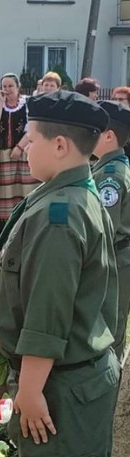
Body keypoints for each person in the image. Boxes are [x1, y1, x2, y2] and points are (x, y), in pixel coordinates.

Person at [0, 90, 119, 457]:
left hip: (59, 391)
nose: (24, 147)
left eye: (31, 138)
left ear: (60, 145)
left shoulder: (60, 213)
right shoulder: (75, 193)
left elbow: (49, 314)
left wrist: (29, 390)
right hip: (78, 385)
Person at [92, 100, 130, 359]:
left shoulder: (110, 176)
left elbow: (106, 228)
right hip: (116, 258)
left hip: (113, 260)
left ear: (109, 136)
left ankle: (110, 379)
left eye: (94, 130)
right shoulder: (110, 167)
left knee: (108, 329)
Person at [0, 73, 38, 225]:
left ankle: (24, 222)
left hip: (22, 151)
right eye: (4, 86)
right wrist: (1, 103)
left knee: (22, 188)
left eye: (11, 86)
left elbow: (31, 129)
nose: (7, 89)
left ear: (18, 87)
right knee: (1, 190)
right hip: (0, 153)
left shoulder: (27, 103)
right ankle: (1, 225)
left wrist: (19, 147)